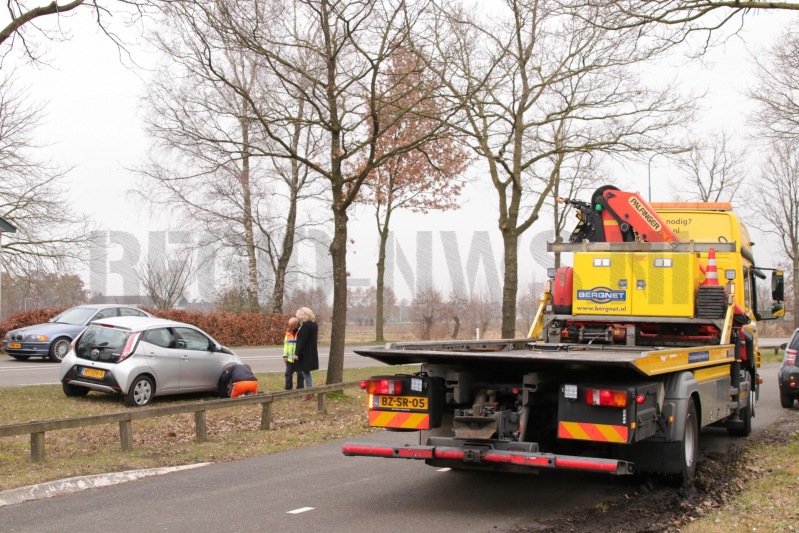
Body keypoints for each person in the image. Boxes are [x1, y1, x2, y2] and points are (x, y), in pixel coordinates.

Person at [295, 307, 319, 400]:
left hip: (305, 353)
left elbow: (303, 341)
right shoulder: (314, 324)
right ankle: (310, 391)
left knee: (305, 372)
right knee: (306, 372)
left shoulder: (306, 325)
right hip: (311, 351)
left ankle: (310, 392)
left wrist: (297, 353)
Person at [283, 317, 304, 390]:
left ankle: (300, 391)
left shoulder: (302, 331)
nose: (290, 327)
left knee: (300, 375)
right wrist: (285, 355)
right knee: (288, 375)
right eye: (289, 325)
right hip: (290, 359)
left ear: (296, 324)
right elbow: (286, 344)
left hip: (299, 358)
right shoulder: (288, 332)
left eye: (291, 326)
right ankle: (288, 391)